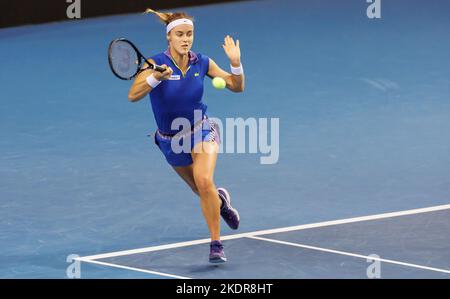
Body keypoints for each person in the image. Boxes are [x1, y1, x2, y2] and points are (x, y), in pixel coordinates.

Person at [128, 8, 245, 263]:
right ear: (169, 37)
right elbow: (133, 94)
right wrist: (155, 79)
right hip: (169, 139)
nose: (185, 39)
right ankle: (221, 202)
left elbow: (237, 86)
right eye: (179, 34)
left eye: (189, 34)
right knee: (200, 189)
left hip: (201, 129)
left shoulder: (202, 62)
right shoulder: (154, 64)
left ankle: (216, 244)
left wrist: (235, 63)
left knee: (203, 180)